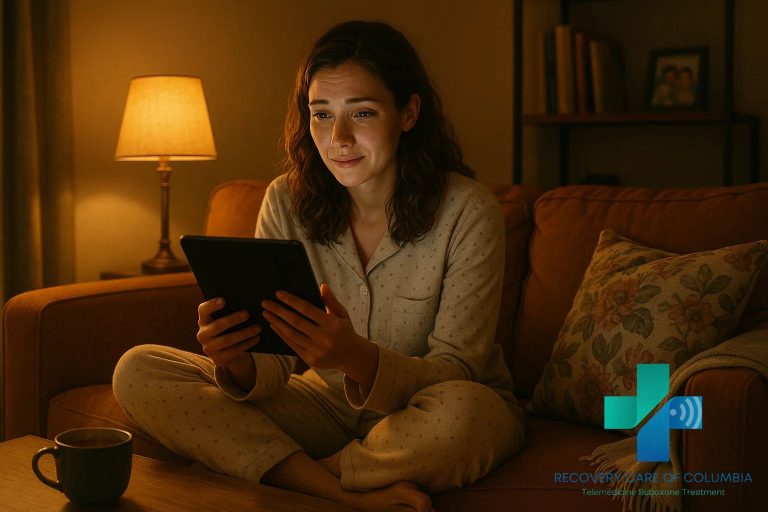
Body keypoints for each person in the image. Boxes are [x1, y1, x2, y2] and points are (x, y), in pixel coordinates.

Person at [113, 20, 524, 512]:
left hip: (427, 409)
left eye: (363, 112)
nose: (339, 137)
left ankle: (293, 475)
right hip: (323, 405)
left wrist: (357, 358)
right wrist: (238, 361)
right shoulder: (286, 201)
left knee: (467, 415)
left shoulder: (468, 209)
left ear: (408, 112)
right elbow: (278, 366)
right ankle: (327, 490)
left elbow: (457, 369)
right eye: (321, 114)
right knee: (138, 369)